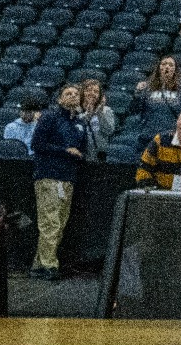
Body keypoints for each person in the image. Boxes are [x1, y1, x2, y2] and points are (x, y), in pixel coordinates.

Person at [29, 84, 88, 280]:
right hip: (49, 175)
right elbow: (37, 144)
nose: (72, 96)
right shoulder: (50, 117)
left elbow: (83, 149)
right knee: (50, 222)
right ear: (60, 99)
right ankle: (49, 265)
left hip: (68, 177)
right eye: (68, 94)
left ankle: (38, 265)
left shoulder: (80, 123)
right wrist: (64, 151)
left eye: (76, 94)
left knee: (59, 224)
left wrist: (79, 154)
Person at [77, 78, 116, 162]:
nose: (92, 93)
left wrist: (99, 113)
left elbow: (109, 131)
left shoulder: (106, 110)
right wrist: (88, 114)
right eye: (89, 90)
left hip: (98, 156)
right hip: (79, 154)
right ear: (82, 92)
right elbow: (74, 128)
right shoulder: (75, 109)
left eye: (96, 91)